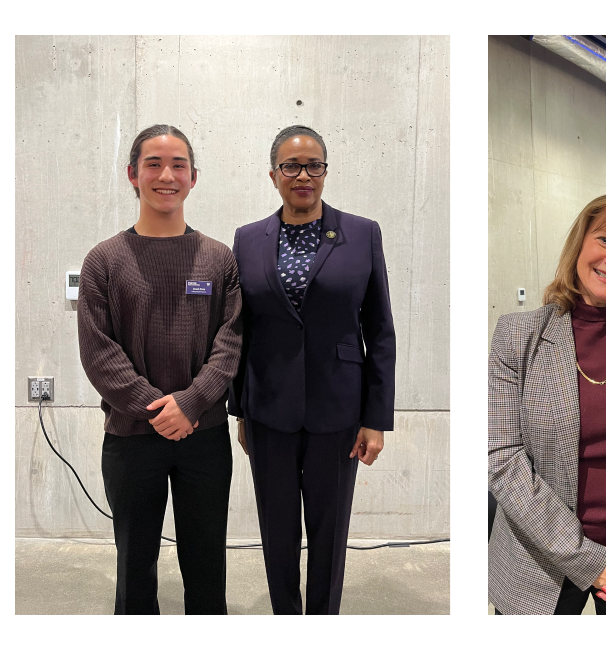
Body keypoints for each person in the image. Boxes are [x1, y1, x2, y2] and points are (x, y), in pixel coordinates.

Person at [230, 125, 394, 615]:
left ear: (325, 170)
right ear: (273, 174)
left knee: (329, 531)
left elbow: (379, 329)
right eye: (291, 166)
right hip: (269, 410)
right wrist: (241, 409)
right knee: (276, 529)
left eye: (314, 165)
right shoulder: (247, 239)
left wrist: (375, 419)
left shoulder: (361, 233)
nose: (303, 175)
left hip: (338, 410)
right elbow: (240, 329)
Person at [79, 125, 242, 615]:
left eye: (178, 165)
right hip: (131, 437)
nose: (165, 175)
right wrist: (157, 408)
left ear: (194, 178)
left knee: (207, 560)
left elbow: (230, 343)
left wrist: (189, 405)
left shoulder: (219, 259)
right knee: (133, 563)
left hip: (205, 436)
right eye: (153, 164)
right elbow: (99, 352)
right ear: (132, 174)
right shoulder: (103, 261)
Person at [487, 193, 606, 616]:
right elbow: (500, 456)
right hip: (537, 559)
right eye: (604, 240)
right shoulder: (518, 335)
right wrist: (589, 560)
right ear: (580, 245)